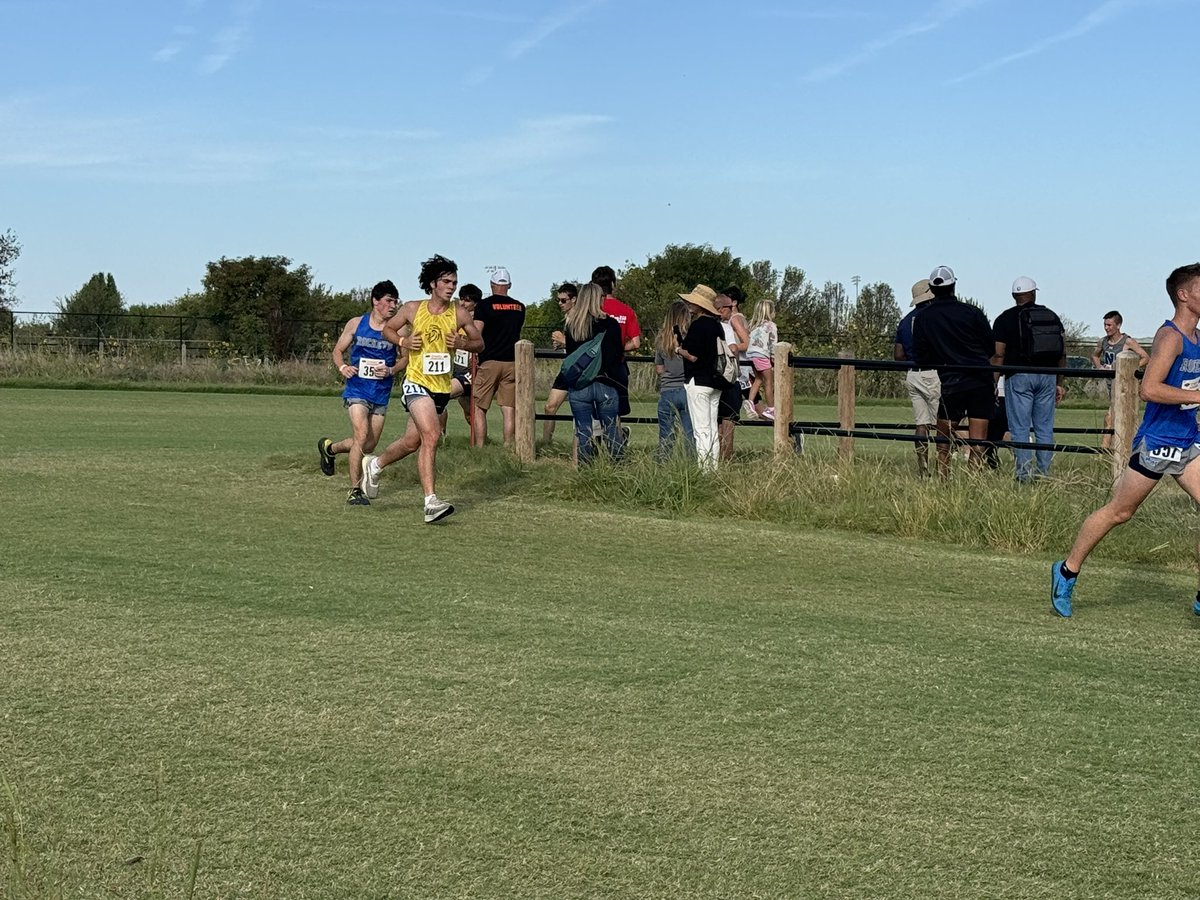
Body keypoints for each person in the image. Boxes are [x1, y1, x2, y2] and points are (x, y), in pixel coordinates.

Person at [1052, 263, 1200, 618]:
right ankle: (1066, 570)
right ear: (1183, 295)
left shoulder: (1196, 338)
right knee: (1121, 511)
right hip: (1157, 442)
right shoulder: (1170, 337)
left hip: (1187, 441)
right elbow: (1149, 389)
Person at [361, 255, 484, 523]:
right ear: (432, 284)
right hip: (415, 382)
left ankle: (375, 465)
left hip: (441, 387)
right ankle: (431, 502)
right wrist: (404, 340)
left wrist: (462, 343)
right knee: (432, 435)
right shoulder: (413, 309)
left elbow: (479, 344)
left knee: (412, 442)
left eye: (454, 282)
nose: (451, 287)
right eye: (446, 282)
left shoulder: (459, 314)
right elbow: (388, 331)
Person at [318, 281, 403, 505]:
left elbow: (407, 357)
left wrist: (392, 369)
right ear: (376, 301)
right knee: (361, 435)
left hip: (381, 392)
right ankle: (355, 490)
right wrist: (342, 367)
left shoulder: (398, 330)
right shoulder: (356, 323)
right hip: (357, 389)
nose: (393, 305)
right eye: (388, 301)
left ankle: (331, 448)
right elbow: (338, 350)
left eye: (395, 301)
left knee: (368, 445)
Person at [912, 265, 995, 475]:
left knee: (944, 435)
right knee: (978, 439)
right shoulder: (972, 312)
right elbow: (990, 347)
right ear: (954, 285)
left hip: (951, 380)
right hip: (980, 379)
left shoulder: (924, 317)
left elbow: (921, 355)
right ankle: (973, 480)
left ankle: (944, 479)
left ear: (932, 288)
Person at [991, 276, 1066, 481]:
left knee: (1020, 428)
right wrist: (1059, 383)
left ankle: (1024, 475)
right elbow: (1062, 353)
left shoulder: (1004, 319)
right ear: (1033, 293)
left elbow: (998, 354)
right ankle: (1044, 475)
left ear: (1014, 295)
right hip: (1048, 376)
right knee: (1044, 428)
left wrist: (993, 382)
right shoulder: (1050, 316)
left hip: (1019, 376)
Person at [563, 282, 625, 465]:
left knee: (583, 431)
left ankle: (585, 470)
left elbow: (571, 356)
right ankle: (617, 469)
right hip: (606, 382)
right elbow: (617, 355)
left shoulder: (573, 325)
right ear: (599, 299)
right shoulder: (611, 325)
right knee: (611, 430)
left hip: (580, 385)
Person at [471, 267, 525, 446]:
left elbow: (477, 332)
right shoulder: (519, 307)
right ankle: (508, 445)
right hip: (512, 362)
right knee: (509, 408)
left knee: (479, 406)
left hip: (490, 361)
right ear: (509, 285)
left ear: (492, 285)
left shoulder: (484, 306)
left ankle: (479, 447)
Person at [894, 279, 941, 477]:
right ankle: (943, 468)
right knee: (942, 423)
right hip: (933, 372)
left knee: (921, 424)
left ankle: (923, 468)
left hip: (913, 374)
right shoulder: (935, 318)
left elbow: (898, 355)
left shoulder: (905, 321)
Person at [676, 284, 725, 472]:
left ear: (700, 305)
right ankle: (713, 468)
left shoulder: (698, 326)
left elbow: (692, 355)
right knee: (712, 428)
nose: (689, 304)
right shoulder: (717, 326)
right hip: (715, 380)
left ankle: (704, 471)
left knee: (701, 429)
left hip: (698, 380)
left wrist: (678, 349)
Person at [1092, 310, 1149, 449]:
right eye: (1105, 325)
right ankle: (1115, 449)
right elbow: (1095, 356)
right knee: (1114, 417)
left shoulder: (1127, 341)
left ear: (1118, 325)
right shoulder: (1103, 341)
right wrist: (1100, 368)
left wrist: (1128, 368)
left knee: (1111, 416)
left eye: (1110, 325)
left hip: (1124, 385)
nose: (1106, 328)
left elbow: (1146, 357)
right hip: (1111, 384)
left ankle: (1104, 450)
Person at [592, 265, 640, 421]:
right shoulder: (626, 310)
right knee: (616, 413)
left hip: (594, 366)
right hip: (617, 367)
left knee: (593, 411)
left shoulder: (592, 310)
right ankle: (616, 441)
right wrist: (618, 349)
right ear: (613, 284)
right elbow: (636, 342)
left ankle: (594, 443)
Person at [653, 301, 695, 460]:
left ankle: (663, 463)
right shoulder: (689, 338)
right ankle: (690, 465)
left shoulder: (661, 339)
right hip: (686, 389)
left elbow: (658, 369)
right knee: (689, 432)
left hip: (666, 391)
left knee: (666, 434)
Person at [443, 282, 482, 439]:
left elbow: (480, 344)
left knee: (440, 396)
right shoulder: (457, 319)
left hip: (470, 372)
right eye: (461, 299)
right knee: (468, 412)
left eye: (467, 300)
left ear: (475, 303)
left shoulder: (477, 322)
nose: (463, 303)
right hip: (458, 369)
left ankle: (439, 436)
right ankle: (479, 442)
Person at [716, 291, 751, 460]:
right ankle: (726, 457)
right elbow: (738, 345)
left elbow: (743, 342)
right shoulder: (726, 325)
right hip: (730, 377)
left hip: (717, 377)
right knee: (728, 419)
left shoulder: (730, 321)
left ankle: (716, 458)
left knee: (716, 421)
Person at [542, 282, 578, 444]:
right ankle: (545, 443)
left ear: (574, 300)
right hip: (567, 368)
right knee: (549, 407)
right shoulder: (567, 319)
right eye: (558, 300)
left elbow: (583, 346)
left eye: (564, 300)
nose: (560, 304)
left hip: (580, 369)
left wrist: (565, 342)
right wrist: (560, 345)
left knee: (583, 409)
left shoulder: (581, 319)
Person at [745, 299, 778, 420]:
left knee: (758, 380)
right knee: (769, 382)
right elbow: (773, 343)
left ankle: (750, 401)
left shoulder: (753, 325)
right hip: (762, 355)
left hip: (751, 355)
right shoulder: (771, 326)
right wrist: (774, 358)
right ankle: (771, 409)